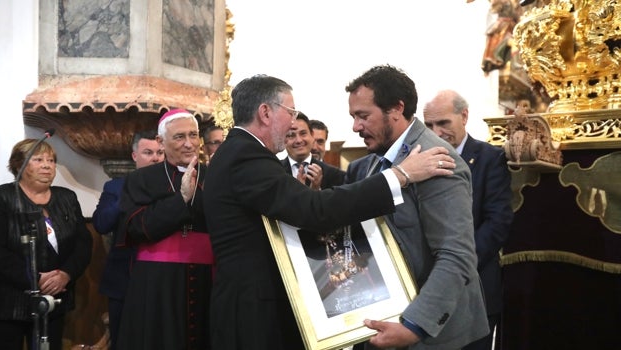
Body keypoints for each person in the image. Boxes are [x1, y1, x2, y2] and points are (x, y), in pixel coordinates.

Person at [202, 73, 457, 350]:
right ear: (265, 112)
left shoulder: (240, 152)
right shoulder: (245, 156)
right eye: (291, 112)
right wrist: (400, 175)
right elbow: (315, 210)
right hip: (252, 311)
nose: (293, 124)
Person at [345, 65, 489, 349]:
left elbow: (456, 255)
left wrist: (414, 325)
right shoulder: (377, 159)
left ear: (397, 109)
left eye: (363, 116)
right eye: (353, 117)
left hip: (432, 334)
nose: (355, 127)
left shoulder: (437, 159)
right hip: (389, 320)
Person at [423, 89, 513, 350]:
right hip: (431, 293)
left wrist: (456, 264)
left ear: (464, 116)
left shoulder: (490, 158)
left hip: (476, 287)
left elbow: (498, 222)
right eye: (429, 125)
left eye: (443, 123)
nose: (436, 132)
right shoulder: (421, 159)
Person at [116, 109, 214, 350]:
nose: (189, 143)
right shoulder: (141, 179)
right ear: (161, 142)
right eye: (180, 137)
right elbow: (135, 228)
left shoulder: (216, 176)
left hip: (209, 280)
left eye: (194, 135)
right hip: (157, 282)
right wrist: (180, 199)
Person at [0, 138, 92, 350]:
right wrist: (35, 279)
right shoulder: (2, 197)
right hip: (10, 302)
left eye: (51, 160)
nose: (47, 165)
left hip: (54, 299)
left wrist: (65, 274)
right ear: (19, 165)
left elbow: (83, 243)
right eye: (38, 159)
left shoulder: (66, 198)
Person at [92, 129, 164, 350]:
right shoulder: (116, 187)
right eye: (148, 152)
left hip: (163, 279)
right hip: (124, 279)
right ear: (135, 156)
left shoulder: (175, 186)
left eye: (160, 152)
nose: (155, 158)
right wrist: (127, 195)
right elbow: (101, 223)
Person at [281, 112, 345, 189]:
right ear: (283, 139)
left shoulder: (335, 175)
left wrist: (316, 192)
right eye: (291, 135)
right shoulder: (274, 171)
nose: (298, 140)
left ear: (311, 135)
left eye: (303, 133)